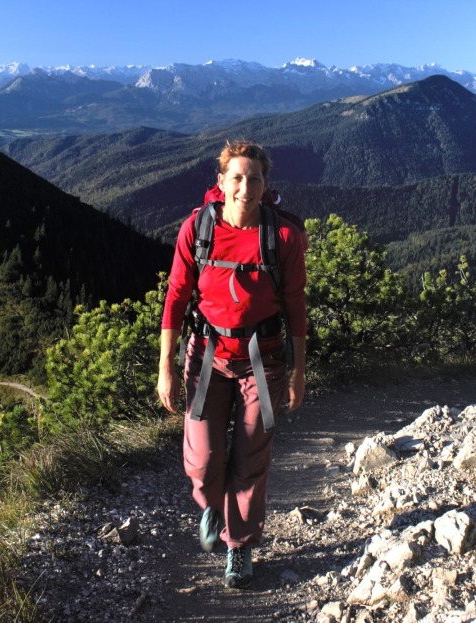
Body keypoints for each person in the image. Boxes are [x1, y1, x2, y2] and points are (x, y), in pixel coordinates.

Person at [157, 139, 307, 589]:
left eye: (254, 179)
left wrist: (299, 371)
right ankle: (210, 506)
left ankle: (238, 546)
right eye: (237, 178)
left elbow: (296, 305)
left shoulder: (282, 236)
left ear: (265, 185)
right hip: (206, 359)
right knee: (203, 461)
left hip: (263, 362)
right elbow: (176, 298)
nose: (246, 187)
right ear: (220, 183)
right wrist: (165, 365)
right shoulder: (197, 229)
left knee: (251, 458)